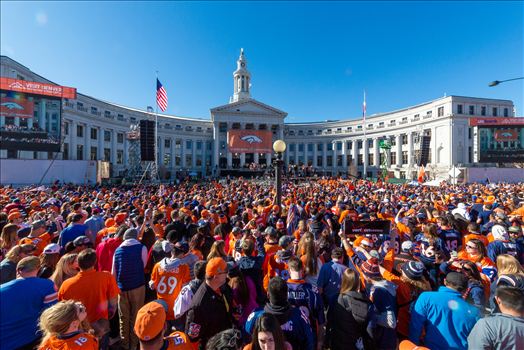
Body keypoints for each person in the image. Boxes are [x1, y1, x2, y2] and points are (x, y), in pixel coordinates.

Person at [58, 248, 120, 350]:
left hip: (77, 329)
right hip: (100, 326)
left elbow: (62, 308)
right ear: (95, 262)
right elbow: (113, 300)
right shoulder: (106, 277)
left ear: (78, 264)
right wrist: (111, 312)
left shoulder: (66, 285)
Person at [409, 271, 481, 350]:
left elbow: (415, 327)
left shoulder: (426, 297)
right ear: (465, 289)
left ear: (444, 281)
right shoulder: (475, 312)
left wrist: (414, 347)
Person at [0, 256, 58, 350]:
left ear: (18, 270)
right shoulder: (47, 286)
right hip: (32, 338)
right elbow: (52, 314)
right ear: (39, 269)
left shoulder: (2, 289)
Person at [245, 276, 314, 350]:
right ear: (287, 295)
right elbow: (309, 342)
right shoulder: (299, 316)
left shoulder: (256, 316)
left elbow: (247, 336)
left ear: (268, 294)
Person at [185, 257, 234, 349]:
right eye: (225, 272)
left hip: (226, 340)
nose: (228, 274)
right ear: (216, 276)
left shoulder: (222, 286)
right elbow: (192, 337)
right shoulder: (199, 305)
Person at [112, 227, 148, 350]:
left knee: (123, 317)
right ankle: (134, 344)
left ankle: (124, 344)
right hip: (137, 286)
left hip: (121, 288)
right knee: (136, 315)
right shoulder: (141, 248)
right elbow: (143, 265)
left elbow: (113, 272)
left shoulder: (118, 250)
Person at [326, 268, 371, 350]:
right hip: (355, 345)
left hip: (337, 343)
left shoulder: (334, 299)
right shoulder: (366, 303)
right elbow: (368, 330)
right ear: (357, 283)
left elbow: (329, 321)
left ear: (344, 281)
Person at [150, 241, 191, 329]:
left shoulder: (158, 266)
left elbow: (152, 284)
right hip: (176, 307)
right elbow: (185, 287)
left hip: (161, 306)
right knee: (178, 333)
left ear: (172, 251)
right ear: (183, 254)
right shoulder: (183, 267)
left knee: (163, 334)